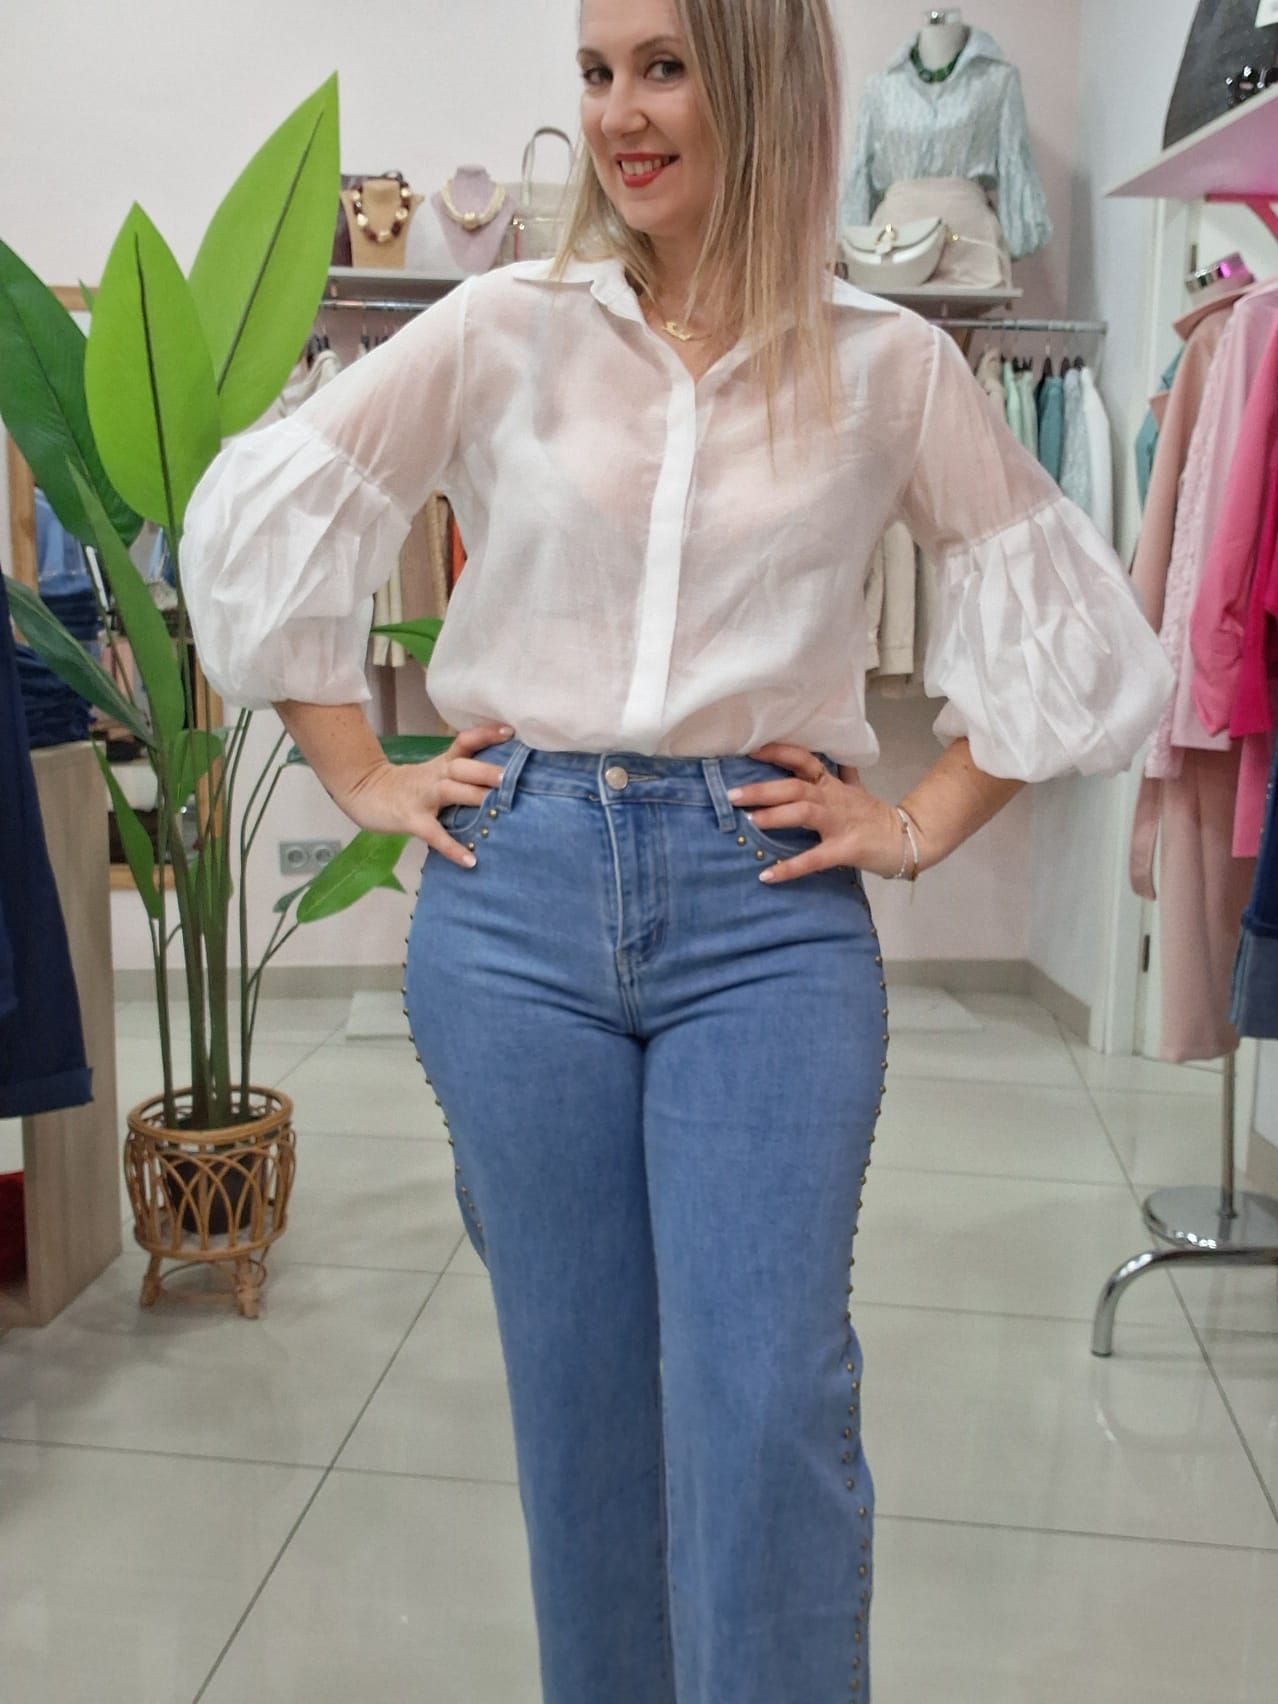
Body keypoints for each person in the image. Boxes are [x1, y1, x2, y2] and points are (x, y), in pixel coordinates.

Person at [181, 2, 1173, 1697]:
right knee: (578, 1404)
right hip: (518, 905)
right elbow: (269, 522)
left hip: (760, 919)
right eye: (595, 71)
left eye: (662, 67)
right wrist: (358, 772)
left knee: (766, 1398)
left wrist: (916, 823)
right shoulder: (501, 326)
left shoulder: (889, 363)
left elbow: (1068, 629)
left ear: (761, 78)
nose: (620, 114)